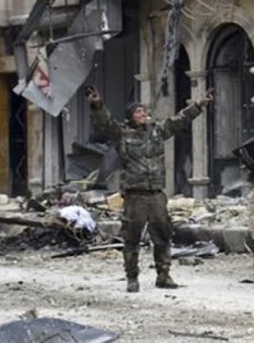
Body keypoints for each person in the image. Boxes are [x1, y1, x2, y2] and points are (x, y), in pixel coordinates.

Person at [86, 85, 213, 293]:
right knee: (132, 239)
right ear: (130, 116)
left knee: (162, 236)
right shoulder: (121, 134)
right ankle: (132, 278)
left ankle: (163, 275)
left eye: (145, 111)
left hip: (156, 194)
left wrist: (199, 105)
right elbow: (105, 122)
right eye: (138, 111)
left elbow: (180, 120)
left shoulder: (157, 131)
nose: (143, 114)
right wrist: (97, 104)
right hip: (135, 196)